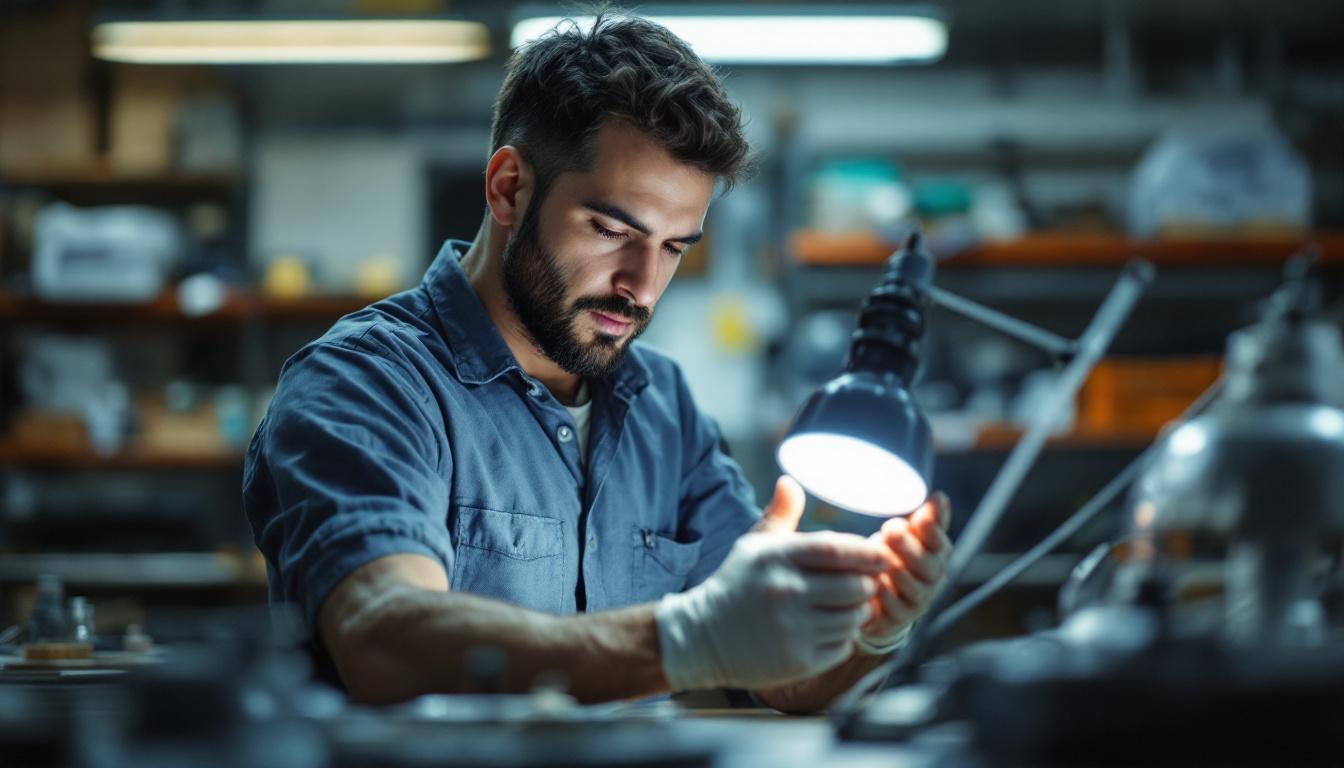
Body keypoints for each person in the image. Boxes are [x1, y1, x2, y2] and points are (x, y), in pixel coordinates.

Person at [244, 12, 952, 714]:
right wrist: (687, 638)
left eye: (676, 247)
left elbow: (786, 680)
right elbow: (385, 639)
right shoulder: (367, 383)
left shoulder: (663, 408)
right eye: (613, 229)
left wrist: (871, 633)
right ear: (509, 188)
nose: (642, 286)